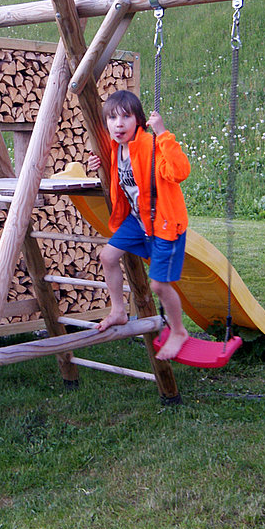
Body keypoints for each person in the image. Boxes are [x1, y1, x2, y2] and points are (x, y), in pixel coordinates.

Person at [86, 90, 191, 361]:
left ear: (139, 120)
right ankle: (118, 311)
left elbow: (180, 172)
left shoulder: (151, 144)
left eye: (126, 117)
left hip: (164, 222)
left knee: (159, 286)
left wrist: (163, 133)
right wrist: (98, 163)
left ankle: (179, 331)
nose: (118, 124)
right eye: (112, 118)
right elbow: (126, 173)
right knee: (107, 256)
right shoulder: (116, 147)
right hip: (138, 219)